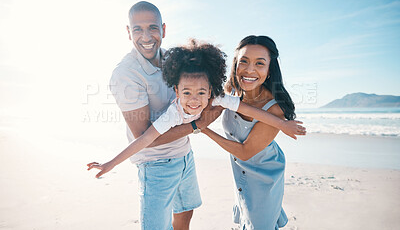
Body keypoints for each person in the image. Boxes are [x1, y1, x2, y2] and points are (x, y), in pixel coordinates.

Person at [87, 40, 305, 179]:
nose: (194, 100)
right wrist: (111, 163)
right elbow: (144, 140)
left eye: (201, 92)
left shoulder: (218, 97)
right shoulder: (173, 114)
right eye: (186, 93)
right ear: (176, 90)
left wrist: (283, 124)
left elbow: (252, 110)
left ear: (210, 90)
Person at [91, 1, 222, 230]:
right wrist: (197, 125)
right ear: (128, 32)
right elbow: (143, 135)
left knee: (184, 218)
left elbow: (204, 87)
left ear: (163, 29)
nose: (146, 36)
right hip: (155, 165)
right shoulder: (125, 75)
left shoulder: (174, 59)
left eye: (152, 27)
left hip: (184, 155)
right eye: (137, 29)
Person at [201, 35, 302, 230]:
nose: (249, 70)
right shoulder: (233, 90)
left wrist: (204, 131)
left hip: (264, 175)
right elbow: (208, 108)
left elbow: (245, 152)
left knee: (260, 228)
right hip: (241, 174)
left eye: (259, 63)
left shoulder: (275, 109)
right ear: (236, 64)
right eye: (244, 62)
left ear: (270, 69)